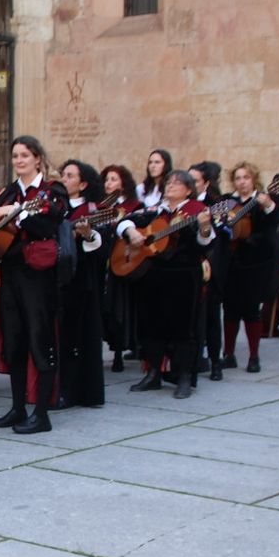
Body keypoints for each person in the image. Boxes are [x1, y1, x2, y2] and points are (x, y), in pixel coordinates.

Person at [0, 136, 69, 432]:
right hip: (11, 274)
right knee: (14, 342)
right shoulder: (8, 192)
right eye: (15, 156)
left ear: (37, 159)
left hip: (38, 277)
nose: (19, 161)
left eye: (25, 156)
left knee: (40, 340)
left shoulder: (52, 191)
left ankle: (41, 413)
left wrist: (17, 212)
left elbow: (49, 224)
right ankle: (18, 407)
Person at [118, 169, 215, 399]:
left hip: (184, 275)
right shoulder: (154, 211)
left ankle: (183, 376)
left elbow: (206, 242)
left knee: (184, 328)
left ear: (189, 190)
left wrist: (204, 227)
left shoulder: (197, 211)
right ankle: (153, 372)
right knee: (152, 325)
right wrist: (131, 231)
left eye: (177, 183)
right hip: (154, 274)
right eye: (169, 182)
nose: (170, 186)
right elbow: (123, 222)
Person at [220, 162, 279, 374]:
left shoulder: (263, 200)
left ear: (253, 179)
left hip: (254, 264)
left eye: (246, 177)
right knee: (229, 311)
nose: (242, 181)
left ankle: (254, 357)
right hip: (231, 263)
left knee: (251, 311)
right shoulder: (228, 201)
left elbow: (273, 221)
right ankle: (228, 354)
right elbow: (216, 221)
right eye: (238, 178)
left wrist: (267, 205)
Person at [57, 160, 108, 408]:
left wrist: (87, 235)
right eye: (63, 175)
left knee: (80, 336)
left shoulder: (92, 210)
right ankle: (60, 386)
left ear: (83, 183)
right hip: (56, 279)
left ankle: (80, 391)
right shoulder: (57, 207)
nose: (64, 179)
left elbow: (101, 247)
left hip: (81, 282)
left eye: (70, 175)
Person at [98, 164, 140, 372]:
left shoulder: (134, 205)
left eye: (113, 179)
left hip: (122, 260)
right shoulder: (101, 206)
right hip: (102, 258)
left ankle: (118, 352)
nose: (109, 183)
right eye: (106, 179)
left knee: (119, 307)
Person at [189, 161, 228, 381]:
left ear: (206, 183)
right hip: (189, 267)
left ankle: (215, 361)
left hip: (211, 265)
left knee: (212, 315)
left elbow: (223, 230)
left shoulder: (217, 203)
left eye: (195, 181)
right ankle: (194, 360)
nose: (191, 184)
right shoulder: (184, 205)